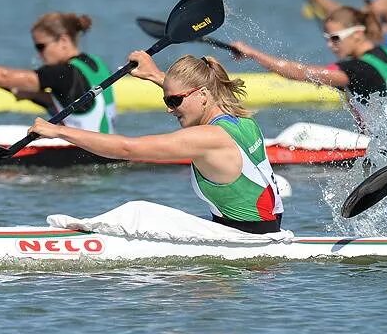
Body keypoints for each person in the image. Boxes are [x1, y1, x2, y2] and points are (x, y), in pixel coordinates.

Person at [28, 53, 284, 234]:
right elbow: (195, 93)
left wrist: (60, 132)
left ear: (203, 95)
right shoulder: (241, 120)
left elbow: (128, 149)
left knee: (138, 212)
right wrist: (155, 75)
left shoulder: (208, 138)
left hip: (244, 240)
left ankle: (78, 237)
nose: (170, 110)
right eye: (167, 101)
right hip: (263, 230)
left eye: (173, 101)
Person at [0, 12, 117, 133]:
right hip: (106, 148)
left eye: (41, 46)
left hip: (86, 154)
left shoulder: (63, 72)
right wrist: (23, 93)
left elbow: (3, 76)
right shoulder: (97, 63)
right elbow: (76, 105)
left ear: (64, 40)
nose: (38, 53)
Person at [230, 6, 387, 133]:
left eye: (335, 38)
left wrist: (253, 53)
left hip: (383, 148)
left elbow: (301, 73)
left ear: (357, 34)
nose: (330, 45)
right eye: (327, 38)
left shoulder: (357, 69)